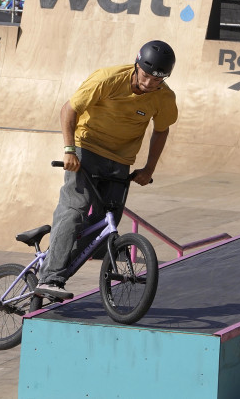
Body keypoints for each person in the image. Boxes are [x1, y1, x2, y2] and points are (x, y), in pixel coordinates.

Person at [34, 40, 178, 300]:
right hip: (86, 150)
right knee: (76, 209)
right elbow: (69, 109)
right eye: (145, 77)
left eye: (156, 80)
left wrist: (148, 168)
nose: (148, 85)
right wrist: (68, 150)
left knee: (104, 224)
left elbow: (161, 130)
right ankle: (50, 276)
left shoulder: (164, 97)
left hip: (120, 161)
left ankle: (58, 264)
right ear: (137, 66)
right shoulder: (108, 79)